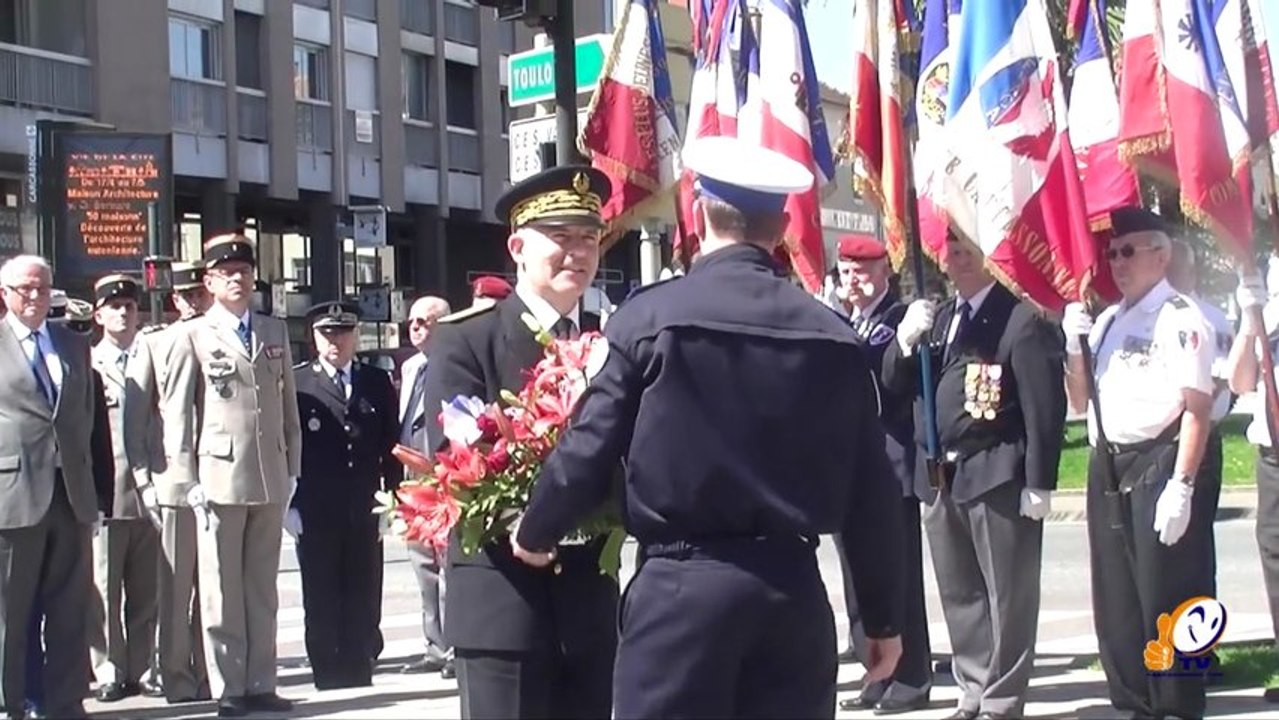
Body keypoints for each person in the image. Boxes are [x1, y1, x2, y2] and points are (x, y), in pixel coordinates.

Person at [510, 137, 906, 718]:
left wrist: (537, 528)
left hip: (680, 593)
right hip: (791, 593)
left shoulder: (648, 318)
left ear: (697, 214)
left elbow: (589, 445)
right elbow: (873, 490)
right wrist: (882, 618)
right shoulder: (833, 336)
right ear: (782, 226)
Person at [421, 164, 622, 719]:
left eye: (589, 238)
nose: (577, 252)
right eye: (560, 237)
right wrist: (537, 519)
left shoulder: (612, 342)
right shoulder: (468, 338)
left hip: (589, 605)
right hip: (504, 605)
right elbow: (455, 462)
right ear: (517, 247)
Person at [882, 231, 1066, 720]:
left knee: (1008, 594)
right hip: (940, 474)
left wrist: (1040, 481)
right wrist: (904, 341)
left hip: (995, 470)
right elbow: (894, 384)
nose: (959, 259)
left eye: (970, 250)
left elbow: (1044, 405)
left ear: (992, 256)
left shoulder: (1019, 318)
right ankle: (974, 689)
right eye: (954, 250)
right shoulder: (940, 318)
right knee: (960, 593)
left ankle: (1002, 700)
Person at [1061, 207, 1218, 719]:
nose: (1117, 263)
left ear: (1161, 255)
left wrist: (1183, 485)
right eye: (1112, 254)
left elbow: (1197, 409)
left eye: (1128, 252)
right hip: (1107, 465)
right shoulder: (1109, 320)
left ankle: (1179, 706)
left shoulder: (1179, 318)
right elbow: (1079, 401)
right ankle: (1132, 704)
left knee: (1169, 597)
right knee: (1118, 602)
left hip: (1158, 463)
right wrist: (1074, 348)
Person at [162, 234, 302, 718]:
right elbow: (179, 414)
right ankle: (230, 686)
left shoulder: (272, 329)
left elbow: (287, 407)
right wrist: (187, 479)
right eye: (226, 274)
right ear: (209, 282)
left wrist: (294, 468)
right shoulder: (194, 335)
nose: (237, 280)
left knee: (262, 587)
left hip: (269, 472)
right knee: (221, 588)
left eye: (243, 272)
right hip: (218, 474)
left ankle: (262, 681)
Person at [831, 235, 934, 715]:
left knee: (898, 578)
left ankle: (911, 676)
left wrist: (904, 342)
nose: (854, 280)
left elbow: (889, 383)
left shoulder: (897, 320)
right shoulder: (849, 321)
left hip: (891, 467)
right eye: (846, 271)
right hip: (852, 467)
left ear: (885, 272)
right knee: (858, 577)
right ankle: (875, 669)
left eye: (863, 270)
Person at [0, 255, 100, 719]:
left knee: (69, 608)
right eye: (26, 288)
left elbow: (88, 420)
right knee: (10, 611)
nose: (36, 296)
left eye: (43, 287)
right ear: (5, 294)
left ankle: (64, 701)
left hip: (71, 493)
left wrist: (96, 493)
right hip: (14, 493)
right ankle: (10, 701)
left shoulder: (73, 344)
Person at [290, 301, 398, 689]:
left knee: (363, 589)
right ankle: (327, 667)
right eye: (327, 333)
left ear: (356, 336)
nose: (336, 341)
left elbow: (391, 446)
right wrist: (290, 504)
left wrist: (393, 501)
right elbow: (288, 445)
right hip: (317, 507)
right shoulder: (299, 382)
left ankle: (359, 664)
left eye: (344, 332)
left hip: (363, 504)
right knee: (320, 590)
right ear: (314, 337)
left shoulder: (376, 381)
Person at [137, 260, 212, 704]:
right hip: (175, 479)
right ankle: (176, 674)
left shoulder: (222, 337)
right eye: (186, 296)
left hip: (220, 477)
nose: (195, 302)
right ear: (174, 299)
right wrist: (144, 478)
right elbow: (138, 419)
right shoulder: (156, 342)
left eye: (200, 293)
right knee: (176, 587)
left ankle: (209, 672)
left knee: (216, 587)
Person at [86, 274, 163, 703]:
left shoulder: (154, 358)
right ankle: (108, 670)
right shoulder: (88, 362)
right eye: (113, 307)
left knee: (147, 589)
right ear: (98, 316)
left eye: (129, 306)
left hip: (150, 490)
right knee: (103, 588)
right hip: (108, 490)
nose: (123, 313)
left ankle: (142, 667)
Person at [396, 295, 455, 678]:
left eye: (424, 322)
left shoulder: (453, 362)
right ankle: (433, 646)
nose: (415, 328)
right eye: (412, 322)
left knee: (448, 563)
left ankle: (453, 648)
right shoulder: (411, 367)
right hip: (413, 476)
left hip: (445, 472)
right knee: (422, 564)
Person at [1230, 265, 1279, 703]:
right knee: (1276, 555)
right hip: (1272, 453)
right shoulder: (1266, 303)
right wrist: (1250, 319)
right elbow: (1241, 382)